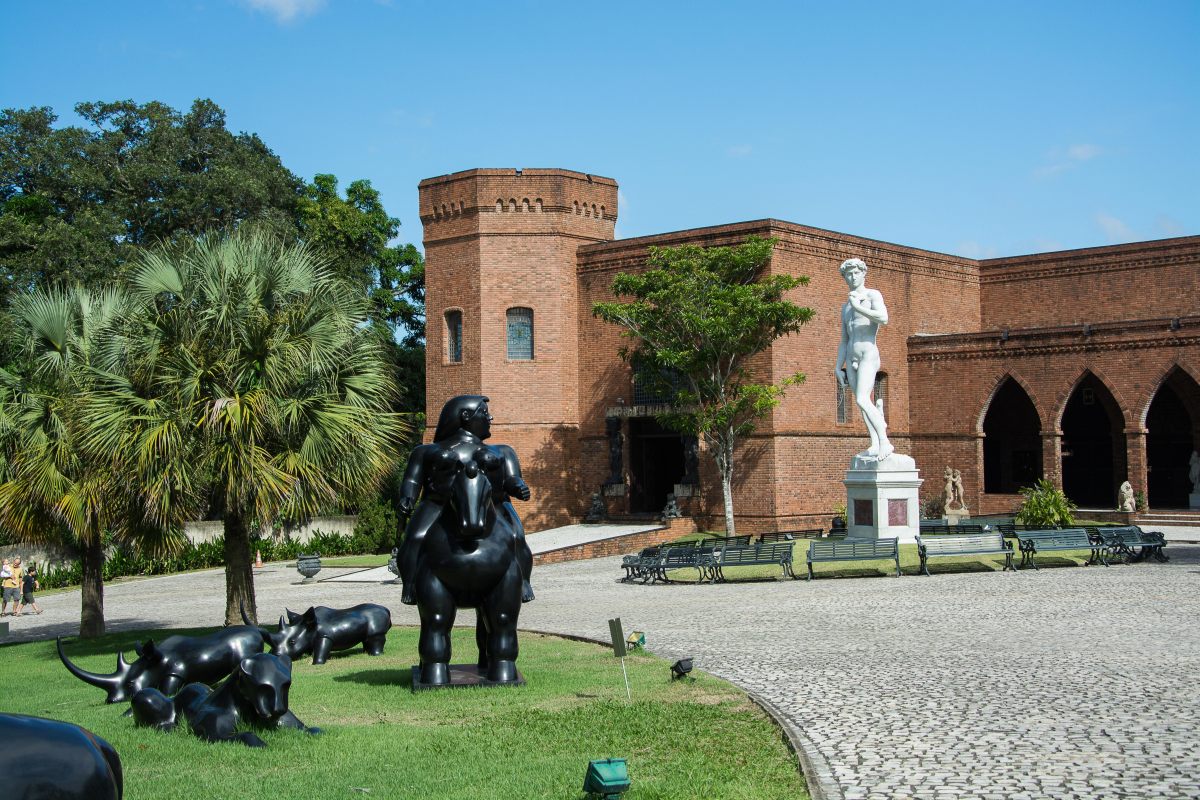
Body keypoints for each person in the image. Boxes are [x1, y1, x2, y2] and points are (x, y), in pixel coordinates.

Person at [394, 395, 533, 605]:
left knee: (517, 536)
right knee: (416, 537)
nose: (490, 417)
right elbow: (413, 481)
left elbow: (511, 478)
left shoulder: (503, 451)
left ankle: (522, 580)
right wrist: (407, 498)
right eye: (484, 413)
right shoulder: (425, 452)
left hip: (493, 505)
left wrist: (517, 487)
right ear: (466, 416)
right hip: (438, 505)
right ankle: (411, 583)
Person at [835, 257, 893, 461]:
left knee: (861, 398)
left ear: (863, 273)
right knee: (862, 403)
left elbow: (883, 318)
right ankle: (875, 442)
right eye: (848, 274)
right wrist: (837, 366)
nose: (852, 277)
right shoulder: (845, 307)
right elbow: (844, 339)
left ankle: (885, 441)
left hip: (868, 353)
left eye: (856, 273)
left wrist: (858, 307)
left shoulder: (872, 295)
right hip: (851, 355)